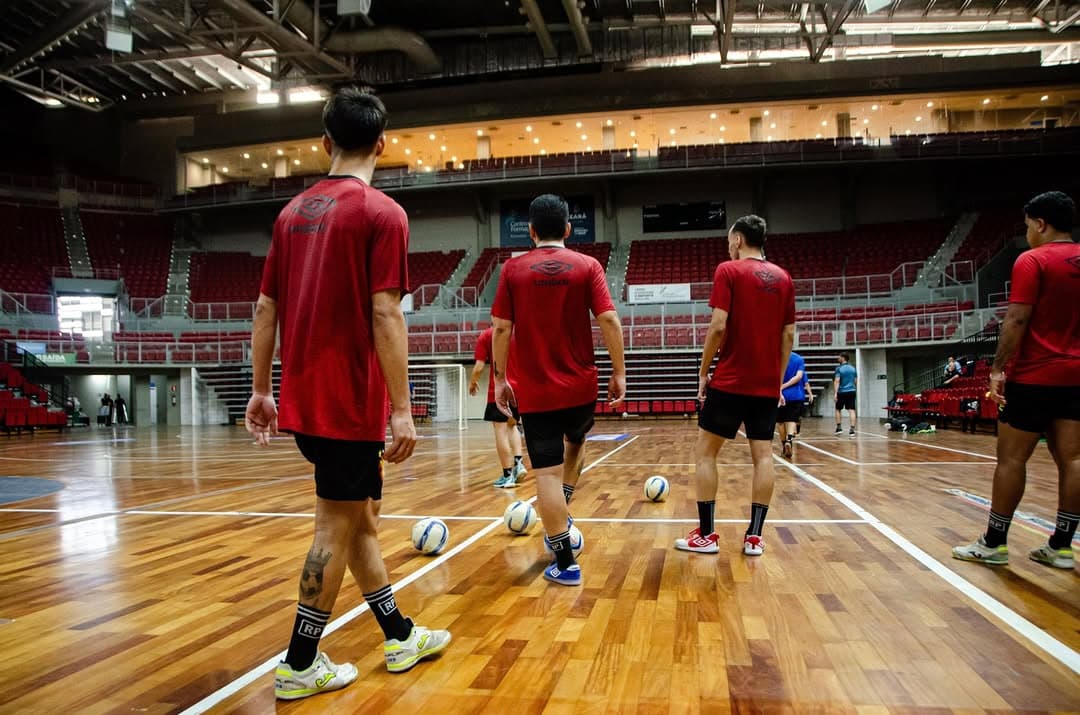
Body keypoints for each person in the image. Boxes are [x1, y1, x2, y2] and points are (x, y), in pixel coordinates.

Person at [245, 87, 450, 701]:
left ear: (325, 142)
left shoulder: (289, 215)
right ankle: (300, 661)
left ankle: (398, 634)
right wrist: (403, 409)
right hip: (347, 403)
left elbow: (264, 308)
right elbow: (386, 314)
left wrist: (260, 389)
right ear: (383, 145)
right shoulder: (383, 213)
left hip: (306, 401)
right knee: (335, 525)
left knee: (361, 518)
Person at [491, 193, 626, 587]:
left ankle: (565, 561)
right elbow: (609, 320)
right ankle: (562, 508)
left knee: (545, 476)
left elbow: (501, 328)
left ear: (531, 231)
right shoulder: (588, 265)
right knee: (577, 441)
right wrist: (619, 372)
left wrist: (500, 379)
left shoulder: (513, 271)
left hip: (537, 391)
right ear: (568, 229)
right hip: (582, 387)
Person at [953, 190, 1079, 570]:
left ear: (1041, 223)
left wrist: (997, 368)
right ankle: (1061, 545)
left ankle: (994, 542)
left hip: (1036, 374)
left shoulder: (1033, 260)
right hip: (1077, 376)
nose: (1027, 234)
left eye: (1028, 227)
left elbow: (1017, 319)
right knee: (1073, 459)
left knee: (1010, 459)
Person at [676, 215, 795, 557]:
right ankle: (754, 537)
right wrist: (777, 378)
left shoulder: (728, 271)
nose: (728, 246)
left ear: (739, 240)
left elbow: (717, 327)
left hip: (729, 381)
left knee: (705, 453)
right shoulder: (784, 278)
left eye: (730, 240)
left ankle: (708, 535)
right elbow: (788, 334)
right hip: (765, 386)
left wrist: (703, 372)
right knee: (763, 457)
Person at [468, 325, 527, 487]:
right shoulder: (519, 332)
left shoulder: (487, 335)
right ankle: (519, 464)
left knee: (500, 430)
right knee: (512, 426)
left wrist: (472, 382)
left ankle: (507, 475)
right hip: (518, 390)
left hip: (499, 390)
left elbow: (479, 367)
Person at [777, 351, 805, 458]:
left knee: (780, 422)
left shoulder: (777, 357)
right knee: (791, 419)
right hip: (795, 395)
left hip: (780, 394)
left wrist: (781, 388)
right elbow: (799, 377)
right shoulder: (799, 359)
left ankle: (784, 444)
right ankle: (789, 440)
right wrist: (786, 385)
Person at [833, 353, 857, 437]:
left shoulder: (839, 369)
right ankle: (852, 430)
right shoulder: (853, 368)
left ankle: (839, 428)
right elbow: (855, 381)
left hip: (841, 392)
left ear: (843, 358)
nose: (838, 358)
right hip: (852, 391)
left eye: (839, 357)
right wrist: (854, 389)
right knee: (852, 410)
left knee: (838, 409)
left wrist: (835, 393)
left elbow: (837, 381)